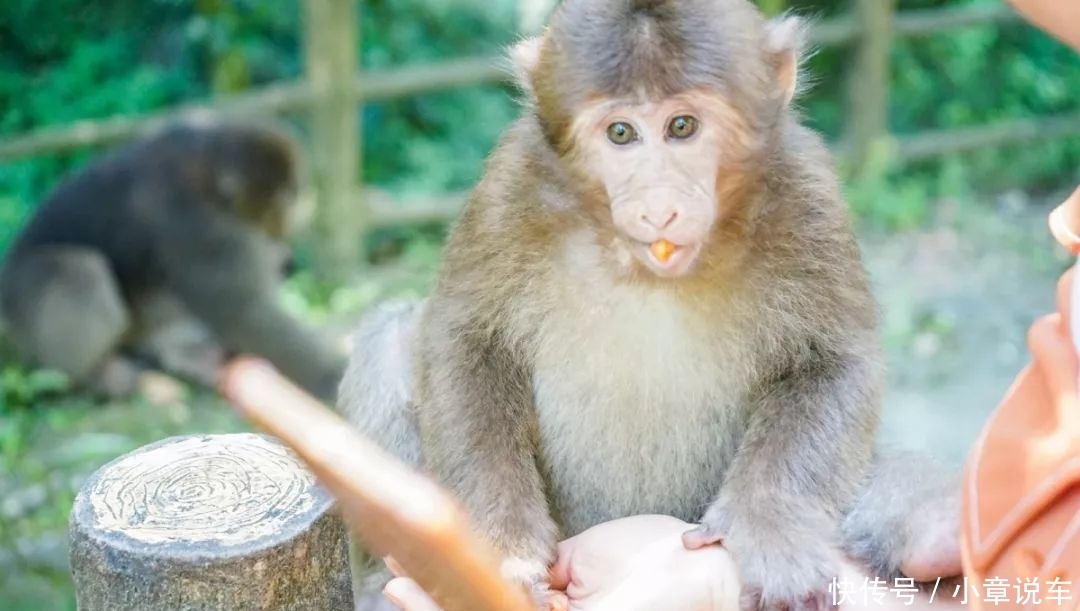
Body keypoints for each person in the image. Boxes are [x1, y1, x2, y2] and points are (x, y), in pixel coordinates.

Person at [382, 1, 1080, 608]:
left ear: (778, 79)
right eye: (619, 134)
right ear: (542, 96)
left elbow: (835, 365)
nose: (658, 200)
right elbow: (465, 345)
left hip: (726, 497)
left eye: (685, 126)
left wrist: (772, 506)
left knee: (911, 489)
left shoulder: (797, 200)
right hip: (558, 499)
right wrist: (503, 530)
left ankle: (978, 548)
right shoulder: (518, 198)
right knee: (389, 345)